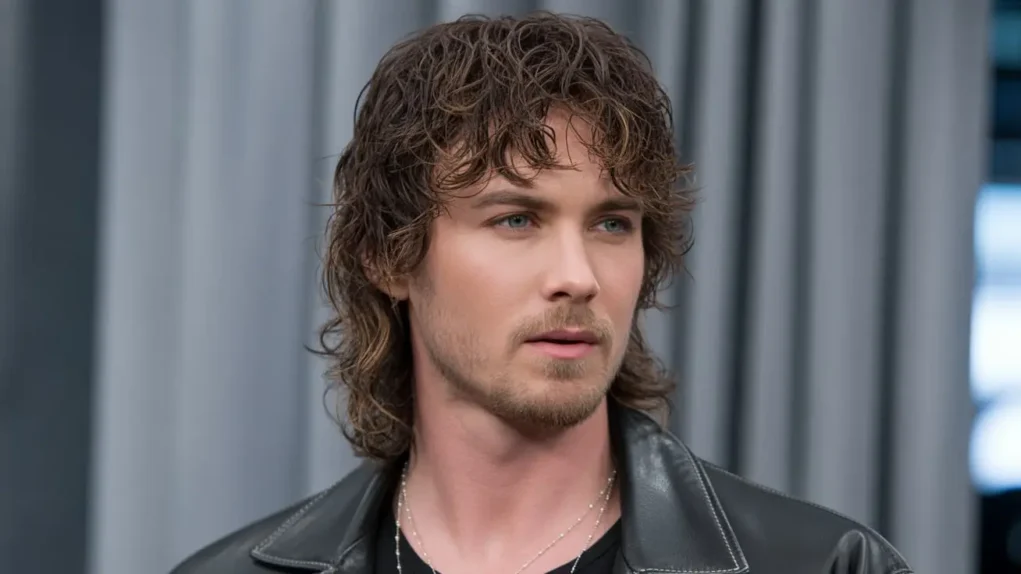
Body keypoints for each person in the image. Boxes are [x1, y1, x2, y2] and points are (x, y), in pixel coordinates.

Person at [172, 12, 913, 574]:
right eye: (516, 219)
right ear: (388, 257)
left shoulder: (826, 564)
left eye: (612, 224)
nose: (578, 276)